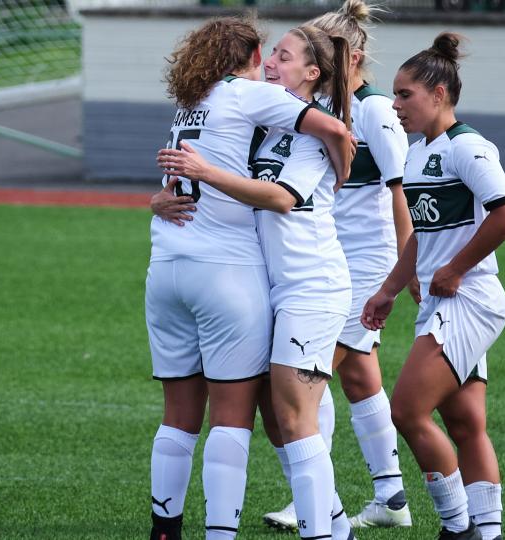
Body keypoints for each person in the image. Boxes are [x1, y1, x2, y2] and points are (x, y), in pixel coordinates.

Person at [145, 17, 352, 540]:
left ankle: (166, 531)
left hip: (172, 266)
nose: (272, 65)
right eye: (270, 55)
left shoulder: (195, 102)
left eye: (285, 56)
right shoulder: (249, 98)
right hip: (230, 274)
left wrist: (162, 197)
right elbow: (328, 127)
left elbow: (323, 138)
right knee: (241, 415)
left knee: (188, 416)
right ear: (251, 55)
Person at [259, 0, 416, 532]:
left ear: (354, 57)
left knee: (313, 375)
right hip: (335, 256)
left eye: (330, 56)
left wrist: (401, 274)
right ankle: (391, 496)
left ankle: (314, 499)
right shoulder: (322, 111)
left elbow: (400, 194)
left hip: (365, 261)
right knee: (355, 373)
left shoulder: (372, 110)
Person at [362, 32, 505, 540]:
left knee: (406, 409)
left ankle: (457, 527)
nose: (395, 103)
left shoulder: (467, 146)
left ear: (438, 93)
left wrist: (455, 268)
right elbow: (422, 239)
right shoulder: (416, 153)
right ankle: (488, 533)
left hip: (468, 299)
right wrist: (390, 289)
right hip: (441, 300)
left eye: (405, 94)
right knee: (466, 425)